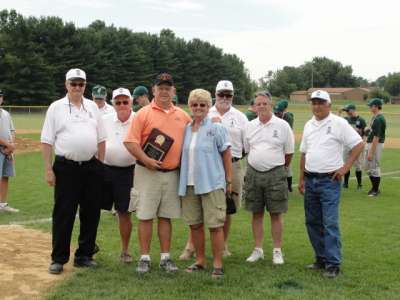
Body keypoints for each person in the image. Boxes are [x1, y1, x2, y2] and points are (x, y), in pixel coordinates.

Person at [124, 73, 191, 274]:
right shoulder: (143, 113)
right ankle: (144, 258)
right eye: (160, 87)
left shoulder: (183, 115)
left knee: (165, 217)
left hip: (172, 174)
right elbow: (130, 142)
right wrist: (146, 160)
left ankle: (165, 257)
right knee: (145, 216)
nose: (164, 91)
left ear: (173, 91)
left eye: (167, 88)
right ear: (153, 90)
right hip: (146, 172)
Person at [41, 68, 106, 275]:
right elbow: (46, 140)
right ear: (66, 84)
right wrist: (48, 169)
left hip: (90, 168)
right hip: (66, 168)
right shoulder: (56, 107)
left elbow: (101, 138)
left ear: (85, 86)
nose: (77, 87)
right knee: (63, 213)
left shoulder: (92, 107)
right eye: (73, 83)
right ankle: (58, 258)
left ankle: (84, 255)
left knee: (91, 212)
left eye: (81, 84)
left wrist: (100, 164)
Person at [298, 90, 363, 278]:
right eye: (314, 103)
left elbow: (358, 144)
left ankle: (333, 264)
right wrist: (301, 178)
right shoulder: (309, 124)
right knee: (312, 222)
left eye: (321, 102)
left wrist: (345, 168)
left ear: (329, 105)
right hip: (310, 180)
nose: (316, 106)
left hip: (329, 181)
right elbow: (304, 153)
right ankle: (321, 258)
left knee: (330, 223)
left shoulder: (339, 123)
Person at [179, 89, 232, 278]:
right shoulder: (185, 129)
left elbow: (227, 154)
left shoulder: (216, 128)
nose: (198, 108)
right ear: (190, 106)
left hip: (212, 183)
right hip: (190, 184)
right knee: (195, 225)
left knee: (215, 225)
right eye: (195, 105)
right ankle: (200, 260)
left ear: (209, 107)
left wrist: (229, 180)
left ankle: (217, 264)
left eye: (202, 105)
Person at [244, 91, 294, 265]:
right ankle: (258, 249)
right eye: (259, 104)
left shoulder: (282, 125)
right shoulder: (249, 125)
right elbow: (248, 149)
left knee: (276, 213)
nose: (262, 106)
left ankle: (277, 251)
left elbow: (288, 153)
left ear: (271, 105)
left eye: (265, 103)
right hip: (253, 174)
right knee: (256, 213)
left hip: (276, 173)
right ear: (255, 106)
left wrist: (276, 166)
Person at [207, 80, 248, 257]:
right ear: (215, 94)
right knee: (205, 205)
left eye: (228, 95)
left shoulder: (240, 117)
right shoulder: (206, 113)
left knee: (228, 207)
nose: (224, 98)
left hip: (234, 164)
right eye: (221, 94)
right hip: (209, 166)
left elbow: (247, 145)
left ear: (232, 96)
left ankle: (223, 245)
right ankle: (193, 246)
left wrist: (235, 160)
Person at [102, 87, 136, 263]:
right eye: (118, 102)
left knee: (124, 212)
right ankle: (87, 247)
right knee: (93, 208)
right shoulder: (105, 119)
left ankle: (125, 250)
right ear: (113, 104)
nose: (122, 105)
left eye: (125, 101)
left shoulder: (138, 119)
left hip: (129, 172)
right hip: (106, 170)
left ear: (131, 102)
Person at [0, 89, 19, 213]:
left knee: (5, 176)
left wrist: (11, 146)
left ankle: (2, 204)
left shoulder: (6, 113)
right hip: (3, 148)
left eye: (0, 96)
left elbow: (12, 130)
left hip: (7, 150)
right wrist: (9, 146)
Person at [340, 104, 367, 189]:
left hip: (357, 145)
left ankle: (359, 184)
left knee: (358, 165)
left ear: (352, 110)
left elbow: (365, 133)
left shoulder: (361, 120)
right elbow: (336, 122)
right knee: (345, 163)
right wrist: (339, 113)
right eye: (346, 111)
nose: (347, 112)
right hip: (346, 144)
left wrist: (363, 143)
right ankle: (345, 183)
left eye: (347, 110)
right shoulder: (345, 119)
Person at [364, 98, 386, 197]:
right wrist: (367, 129)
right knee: (367, 167)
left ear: (376, 106)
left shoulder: (379, 119)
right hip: (370, 143)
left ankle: (376, 190)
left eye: (371, 105)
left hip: (375, 144)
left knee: (374, 167)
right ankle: (374, 188)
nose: (370, 107)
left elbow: (377, 137)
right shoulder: (374, 117)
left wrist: (371, 152)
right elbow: (371, 129)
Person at [274, 99, 295, 192]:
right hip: (279, 141)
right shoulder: (279, 116)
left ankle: (289, 186)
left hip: (286, 142)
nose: (276, 114)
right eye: (276, 112)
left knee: (287, 165)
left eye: (278, 113)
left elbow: (286, 131)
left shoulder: (288, 117)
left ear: (283, 111)